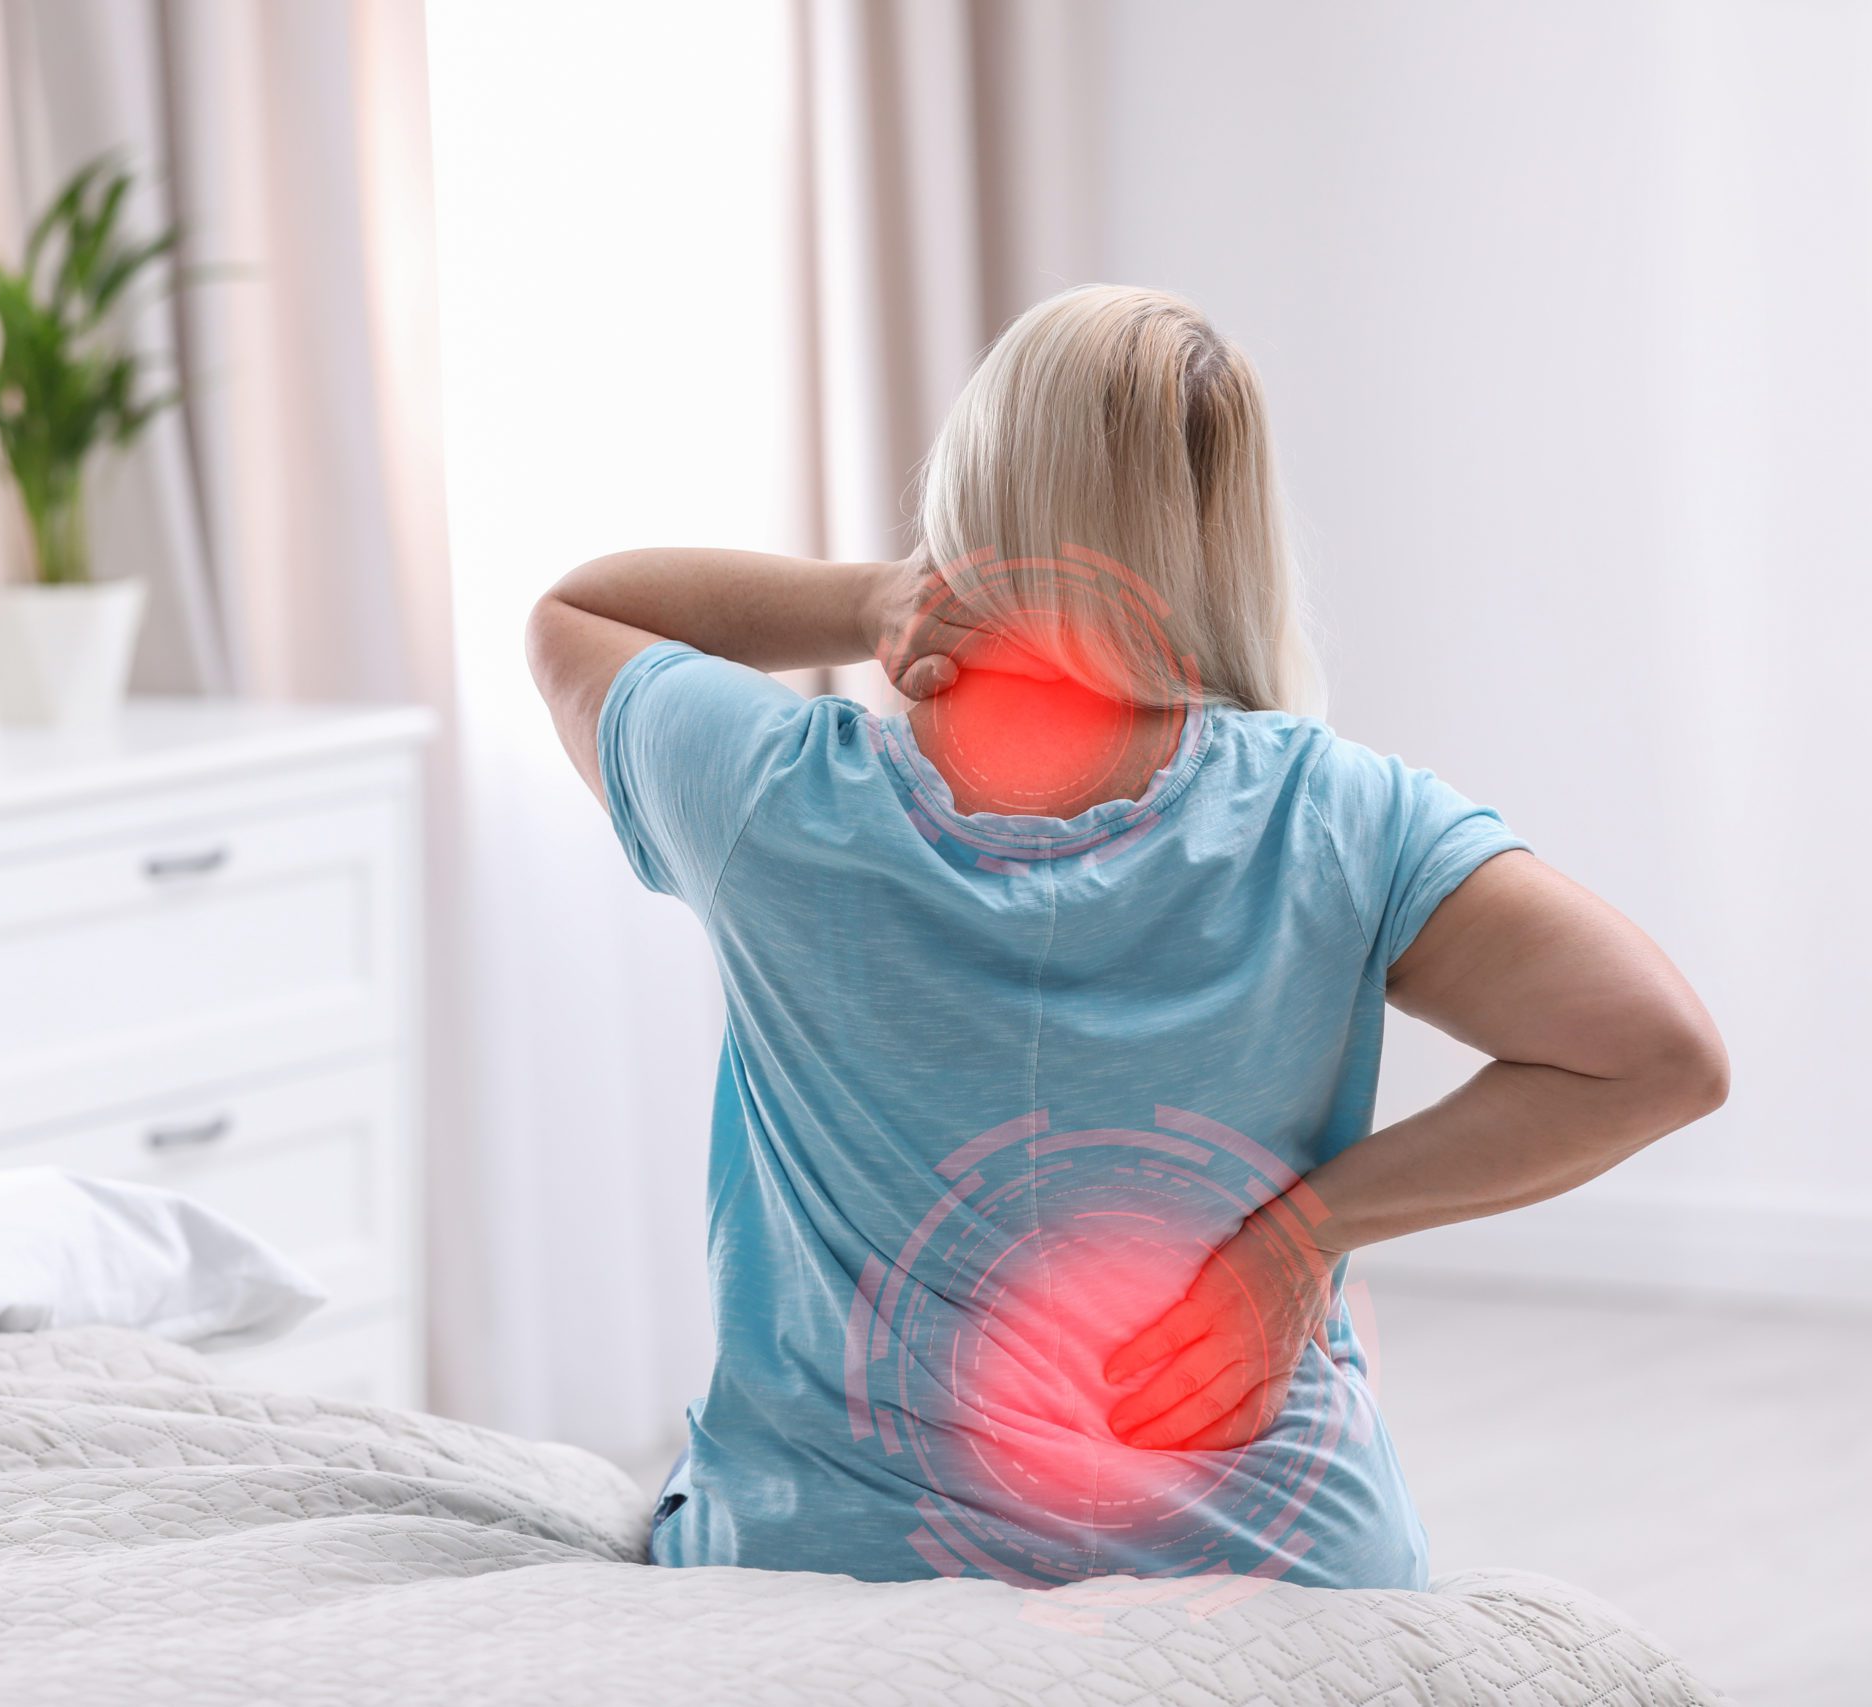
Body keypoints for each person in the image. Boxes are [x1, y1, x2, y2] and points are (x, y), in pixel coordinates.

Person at [523, 284, 1728, 1591]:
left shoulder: (771, 795)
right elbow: (1656, 1055)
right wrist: (1299, 1240)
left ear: (971, 490)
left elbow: (577, 615)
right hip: (1270, 1571)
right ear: (1227, 533)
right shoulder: (1333, 815)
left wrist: (873, 599)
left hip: (836, 1558)